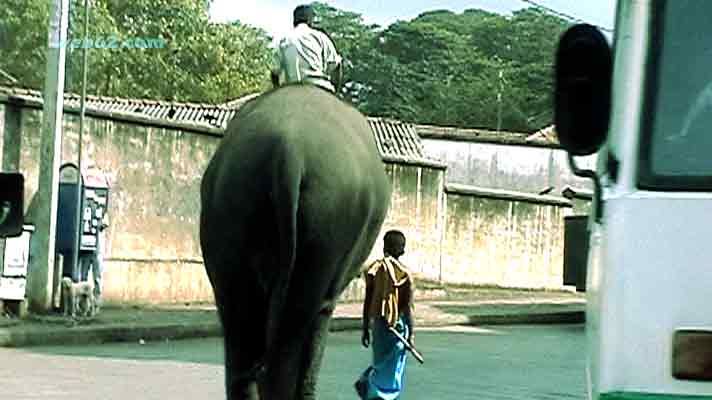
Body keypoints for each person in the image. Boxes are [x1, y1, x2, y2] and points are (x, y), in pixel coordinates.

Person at [355, 230, 415, 400]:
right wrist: (411, 334)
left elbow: (368, 301)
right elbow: (407, 308)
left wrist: (366, 327)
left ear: (384, 247)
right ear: (402, 251)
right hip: (397, 327)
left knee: (380, 364)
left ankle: (371, 387)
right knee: (392, 369)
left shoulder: (374, 269)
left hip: (379, 326)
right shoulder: (404, 274)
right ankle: (377, 392)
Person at [270, 4, 343, 93]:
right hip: (319, 85)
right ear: (310, 21)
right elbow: (336, 65)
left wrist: (276, 91)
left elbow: (274, 71)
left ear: (294, 21)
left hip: (291, 88)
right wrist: (336, 93)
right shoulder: (321, 37)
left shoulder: (284, 40)